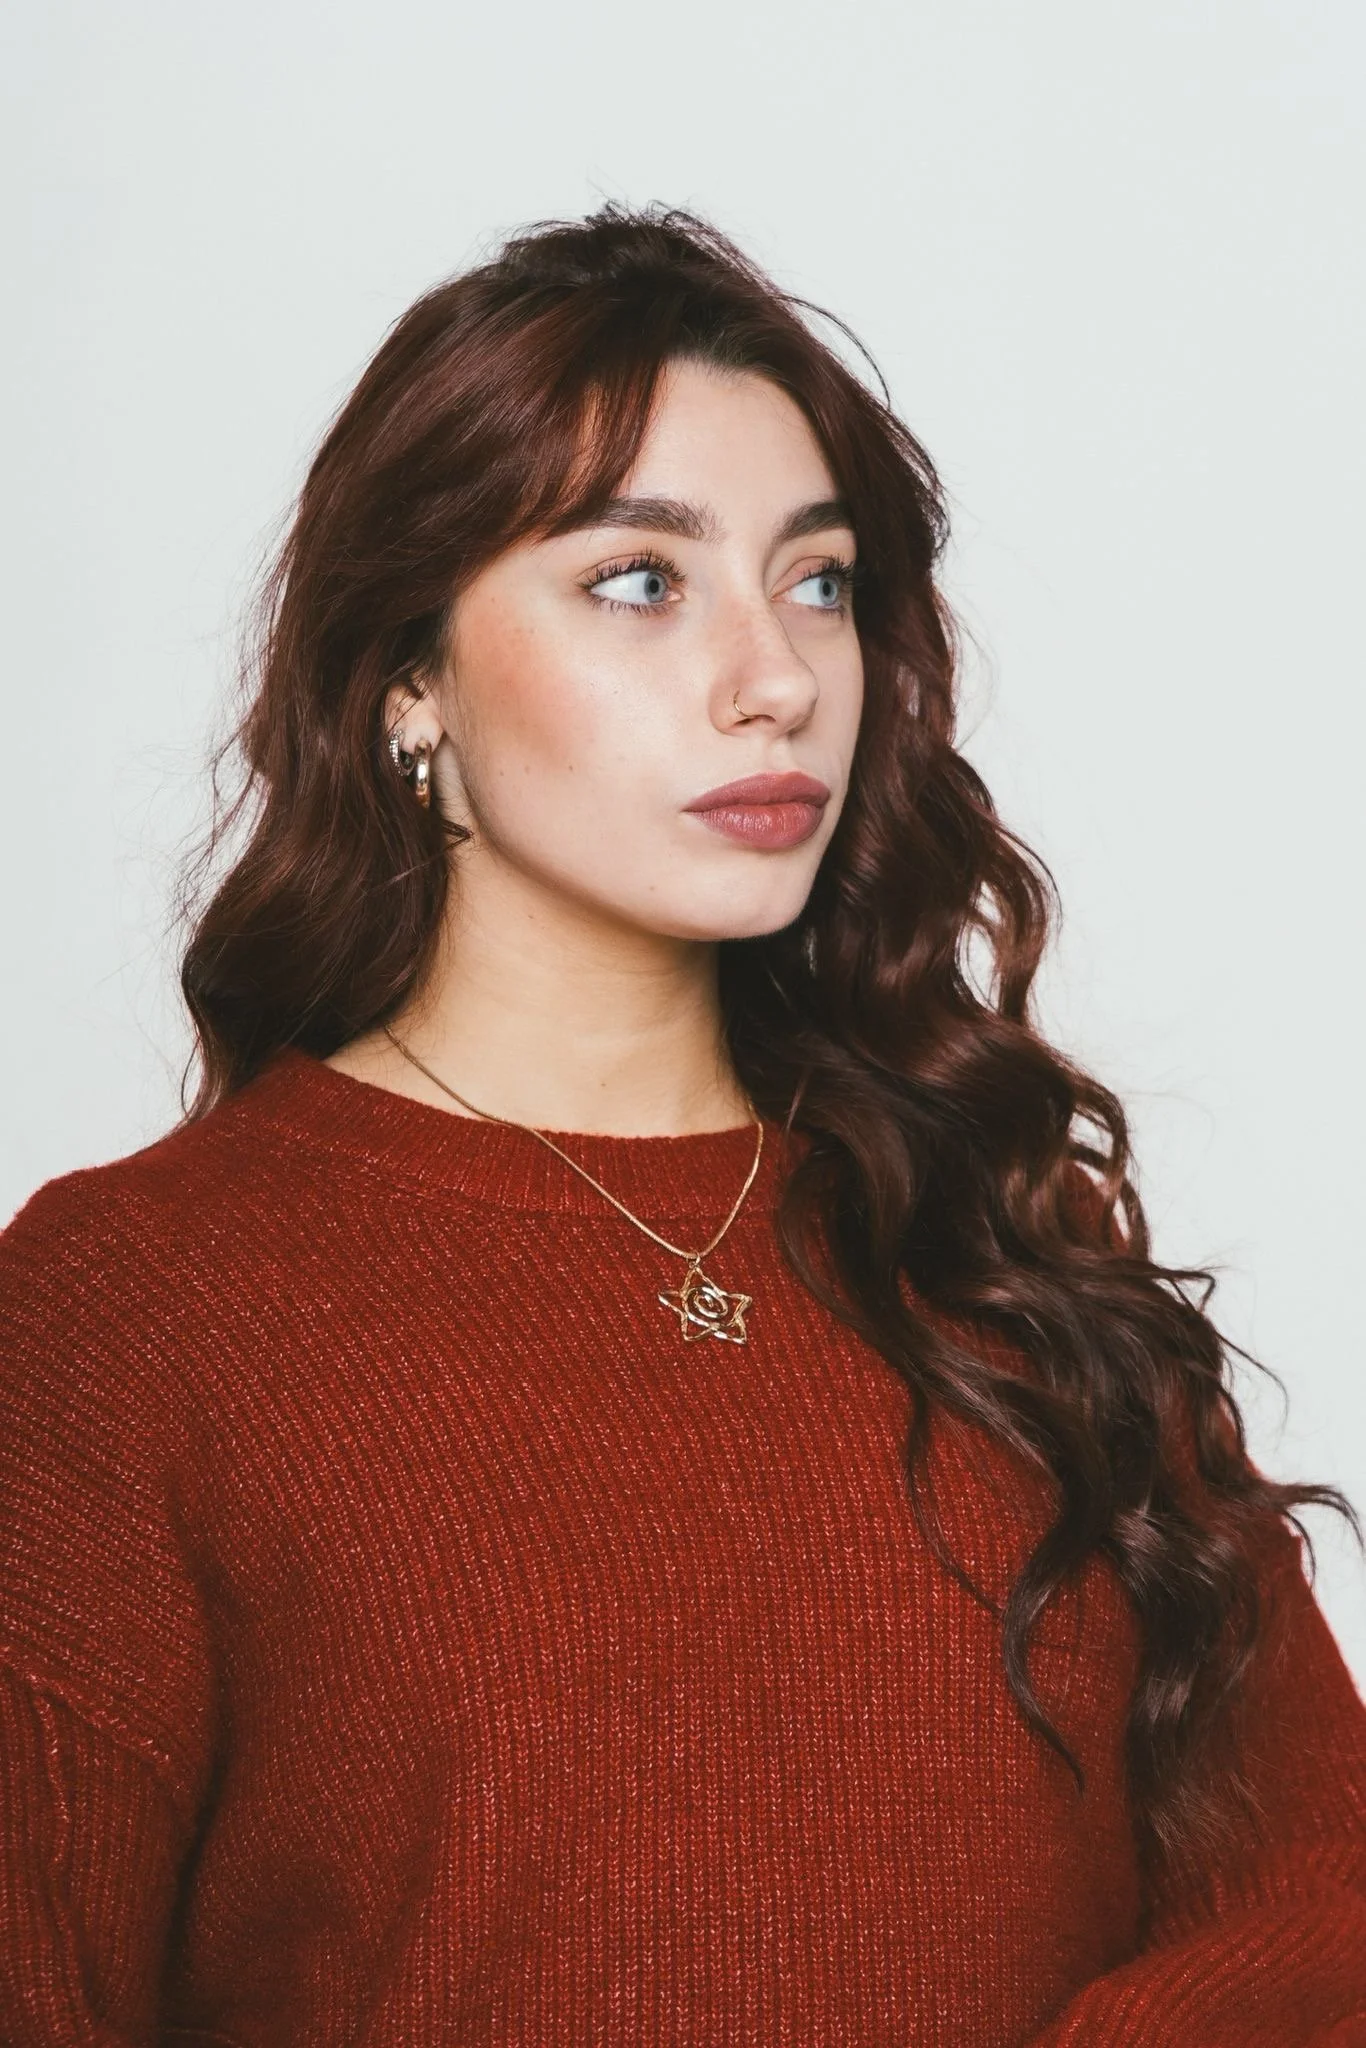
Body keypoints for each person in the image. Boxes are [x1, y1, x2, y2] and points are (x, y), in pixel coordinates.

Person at [1, 202, 1363, 2046]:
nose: (777, 678)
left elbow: (1321, 1911)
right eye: (640, 580)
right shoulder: (127, 1312)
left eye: (816, 582)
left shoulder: (1002, 1246)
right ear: (410, 685)